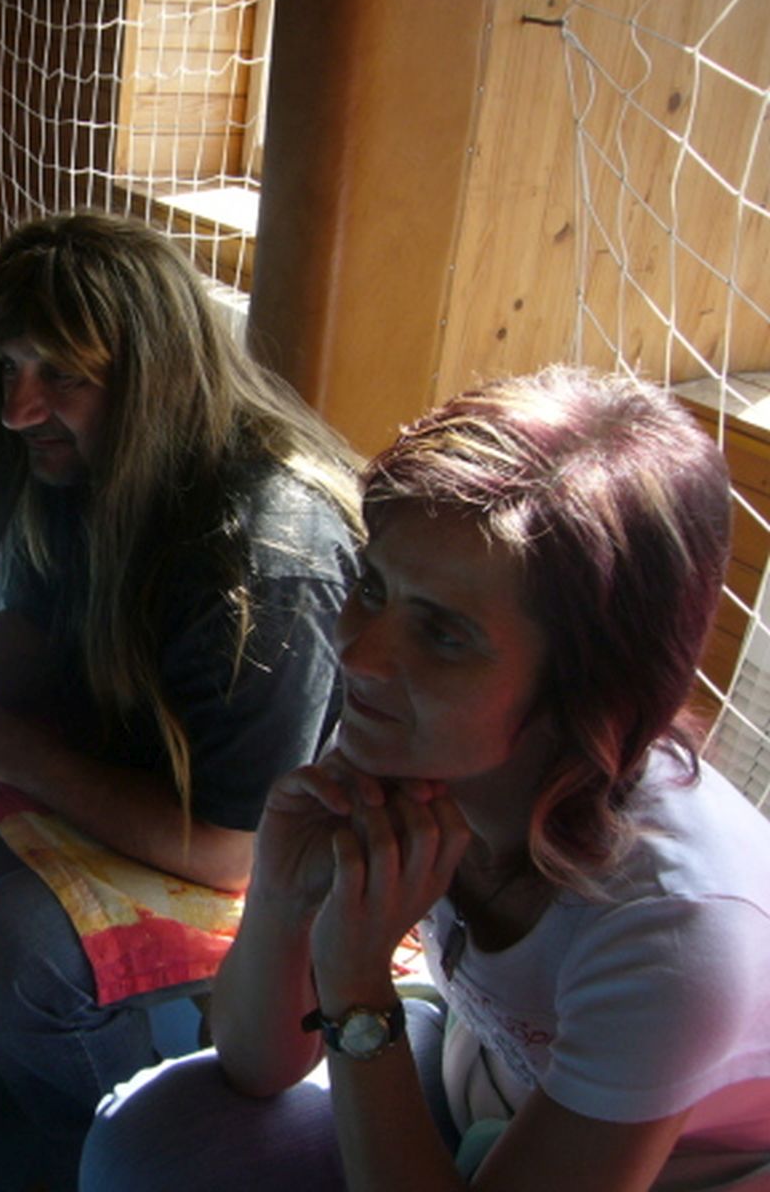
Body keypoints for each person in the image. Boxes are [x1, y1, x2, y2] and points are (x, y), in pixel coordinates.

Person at [80, 367, 770, 1191]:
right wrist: (282, 896)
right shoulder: (424, 746)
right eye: (373, 587)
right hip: (485, 1075)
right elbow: (257, 1064)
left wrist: (356, 980)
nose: (359, 653)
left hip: (679, 1172)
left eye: (444, 635)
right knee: (146, 1145)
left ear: (587, 687)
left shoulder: (673, 930)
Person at [0, 211, 361, 1183]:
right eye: (9, 366)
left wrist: (5, 748)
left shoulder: (267, 555)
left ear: (154, 373)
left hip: (282, 861)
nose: (17, 409)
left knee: (16, 948)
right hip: (149, 757)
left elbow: (232, 854)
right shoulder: (95, 458)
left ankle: (114, 1140)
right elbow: (35, 619)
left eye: (62, 375)